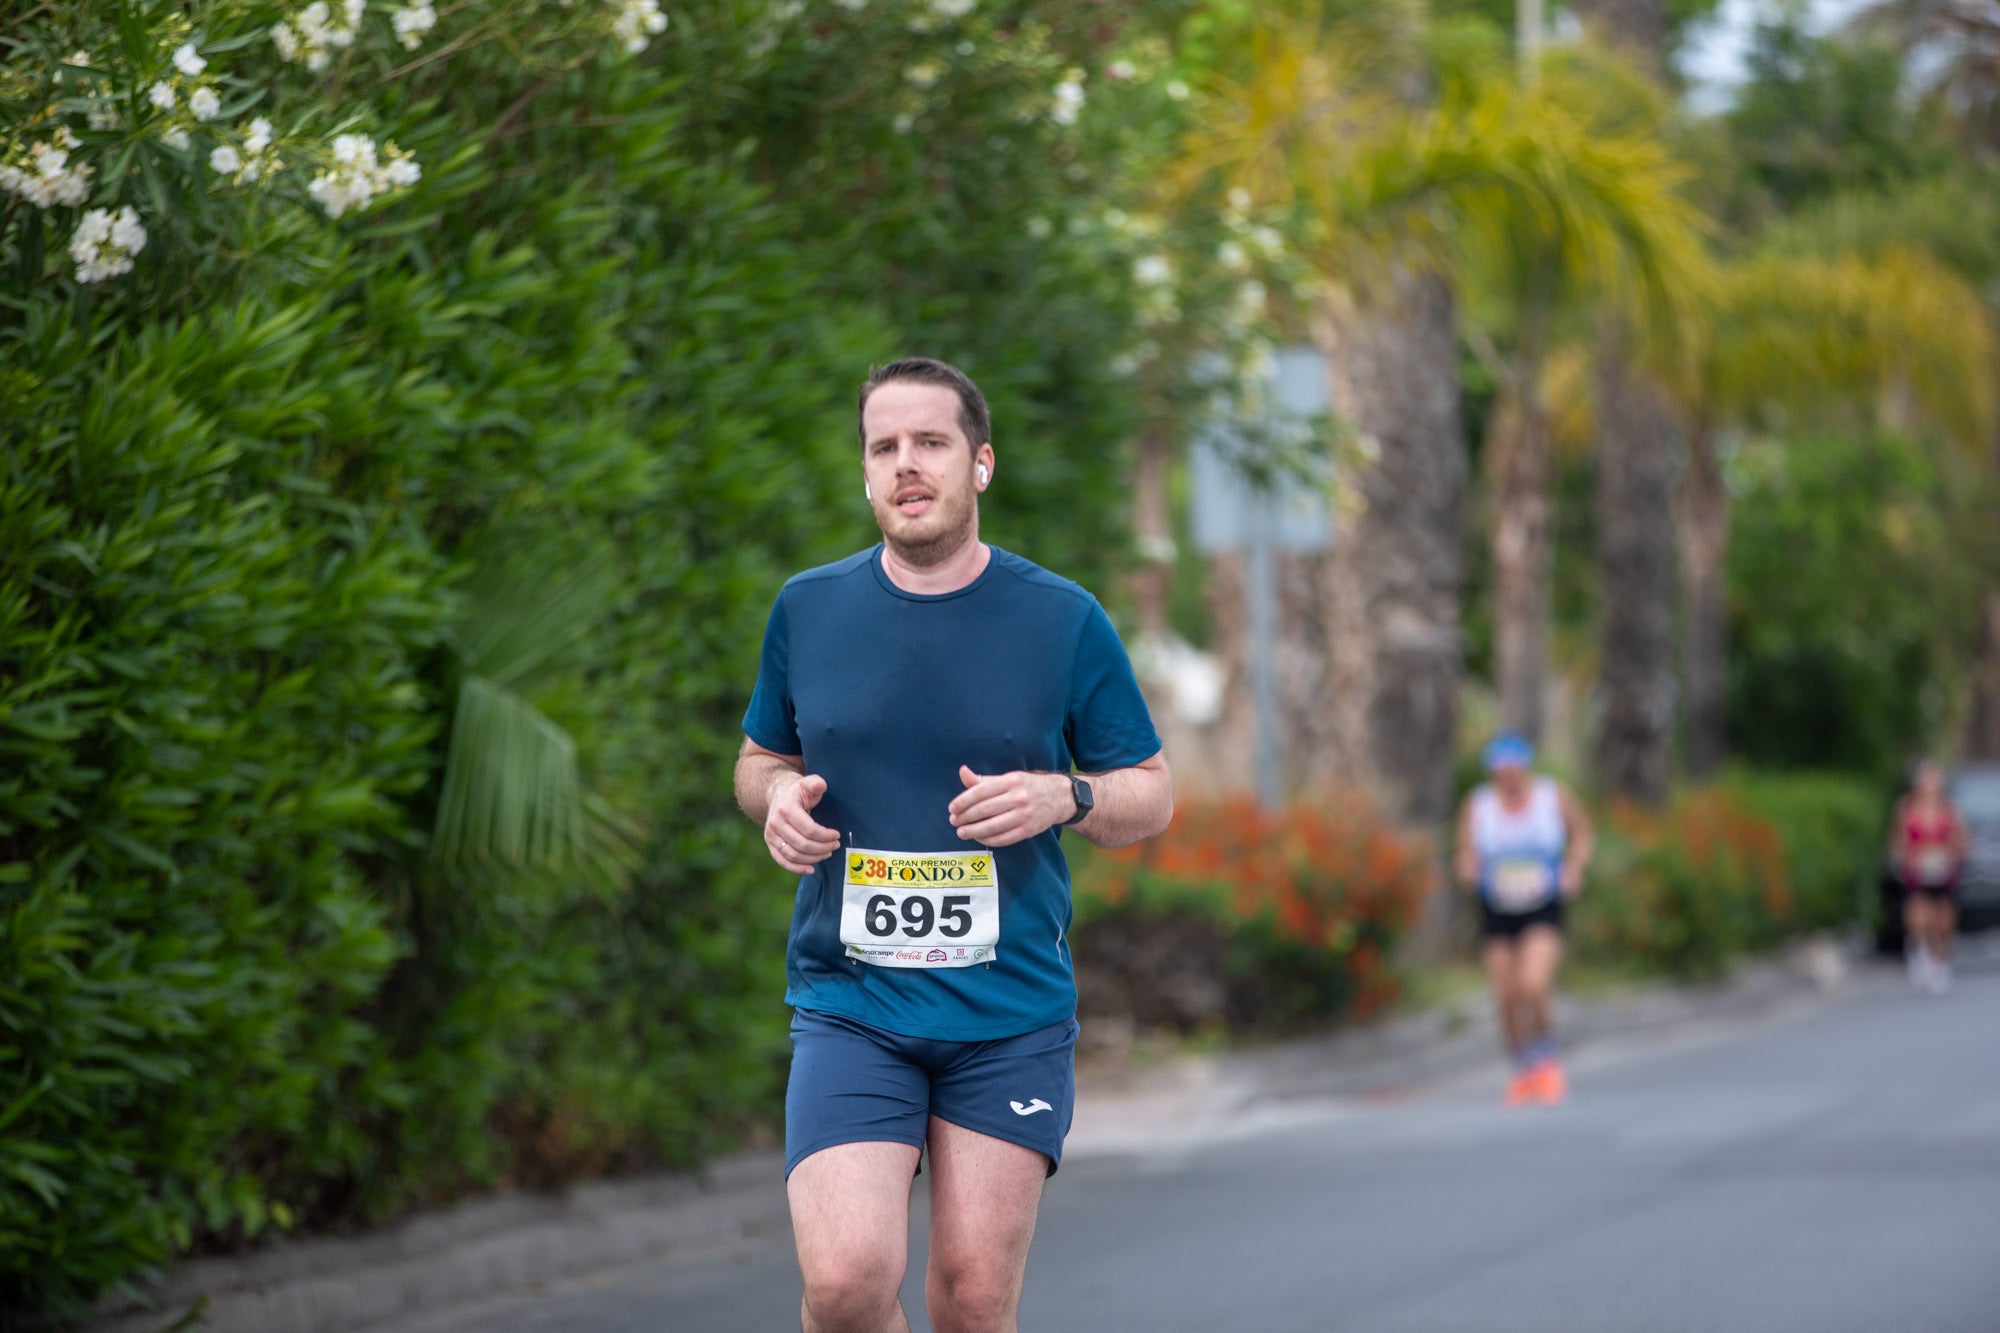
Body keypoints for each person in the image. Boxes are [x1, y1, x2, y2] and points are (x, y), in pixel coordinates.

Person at [734, 357, 1173, 1333]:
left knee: (971, 1301)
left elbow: (1151, 795)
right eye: (882, 447)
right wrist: (772, 799)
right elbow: (759, 756)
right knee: (846, 1286)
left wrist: (1064, 795)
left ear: (978, 464)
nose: (905, 465)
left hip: (1005, 1008)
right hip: (852, 1000)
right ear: (863, 473)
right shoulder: (808, 609)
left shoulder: (1060, 620)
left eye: (928, 442)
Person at [1454, 732, 1594, 1107]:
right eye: (1501, 774)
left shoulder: (1552, 796)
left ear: (1526, 769)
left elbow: (1582, 833)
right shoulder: (1479, 805)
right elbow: (1464, 852)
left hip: (1542, 904)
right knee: (1505, 994)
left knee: (1533, 984)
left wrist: (1574, 867)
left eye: (1515, 772)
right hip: (1497, 907)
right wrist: (1468, 869)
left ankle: (1546, 1060)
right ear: (1492, 774)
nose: (1509, 780)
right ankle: (1522, 1068)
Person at [1890, 759, 1969, 994]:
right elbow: (1897, 840)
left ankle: (1941, 962)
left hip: (1943, 871)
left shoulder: (1949, 809)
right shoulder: (1906, 808)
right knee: (1918, 917)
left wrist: (1953, 855)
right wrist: (1906, 857)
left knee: (1943, 921)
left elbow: (1961, 839)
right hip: (1918, 871)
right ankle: (1919, 951)